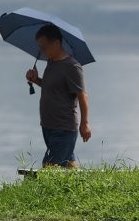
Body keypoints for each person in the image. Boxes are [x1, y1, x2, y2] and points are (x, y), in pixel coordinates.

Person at [25, 23, 91, 168]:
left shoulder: (72, 66)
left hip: (63, 127)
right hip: (48, 125)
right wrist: (35, 80)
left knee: (49, 165)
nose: (41, 51)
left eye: (44, 47)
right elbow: (52, 87)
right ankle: (80, 185)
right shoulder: (51, 62)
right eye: (40, 47)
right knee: (67, 162)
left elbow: (82, 95)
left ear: (56, 43)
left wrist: (85, 123)